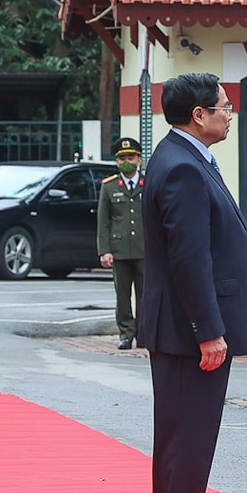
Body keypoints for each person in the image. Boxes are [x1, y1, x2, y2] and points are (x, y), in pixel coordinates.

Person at [139, 72, 247, 493]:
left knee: (182, 431)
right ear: (199, 115)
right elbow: (190, 259)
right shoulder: (183, 167)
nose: (231, 114)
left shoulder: (184, 158)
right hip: (190, 330)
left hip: (182, 325)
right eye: (224, 107)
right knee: (188, 432)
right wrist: (208, 331)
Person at [98, 137, 146, 349]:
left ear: (139, 160)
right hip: (119, 250)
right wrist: (105, 251)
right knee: (123, 296)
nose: (127, 161)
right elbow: (103, 221)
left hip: (145, 249)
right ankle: (126, 334)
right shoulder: (109, 187)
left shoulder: (150, 183)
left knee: (146, 295)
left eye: (131, 157)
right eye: (123, 158)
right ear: (117, 162)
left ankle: (144, 333)